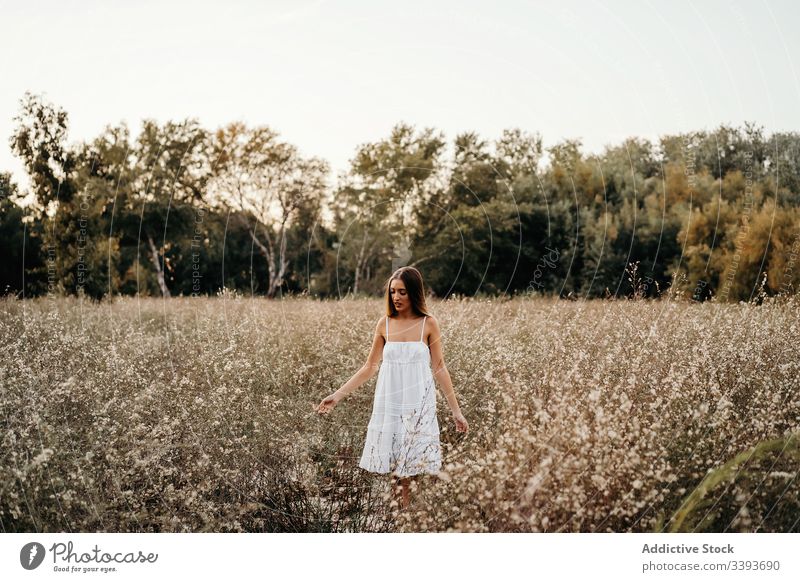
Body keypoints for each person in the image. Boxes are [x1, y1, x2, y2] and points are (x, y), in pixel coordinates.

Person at [315, 266, 468, 511]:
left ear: (414, 294)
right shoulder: (384, 324)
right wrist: (338, 395)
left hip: (418, 403)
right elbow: (370, 366)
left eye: (403, 292)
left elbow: (439, 368)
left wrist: (456, 412)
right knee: (397, 471)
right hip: (390, 403)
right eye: (393, 292)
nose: (396, 297)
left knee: (410, 470)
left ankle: (406, 518)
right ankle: (401, 518)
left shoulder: (428, 324)